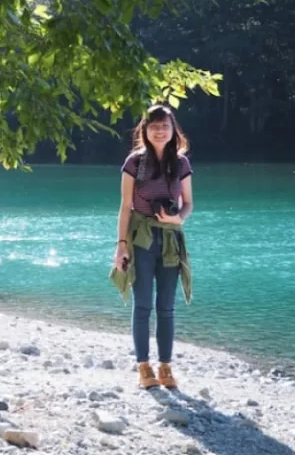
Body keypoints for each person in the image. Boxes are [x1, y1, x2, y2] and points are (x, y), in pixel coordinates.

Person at [111, 104, 194, 390]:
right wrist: (121, 246)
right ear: (145, 130)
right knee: (143, 304)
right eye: (154, 126)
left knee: (167, 306)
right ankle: (144, 366)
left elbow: (189, 204)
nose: (160, 131)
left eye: (165, 126)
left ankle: (166, 367)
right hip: (141, 239)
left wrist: (177, 218)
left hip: (170, 240)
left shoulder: (181, 164)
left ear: (173, 131)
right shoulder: (134, 162)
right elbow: (125, 206)